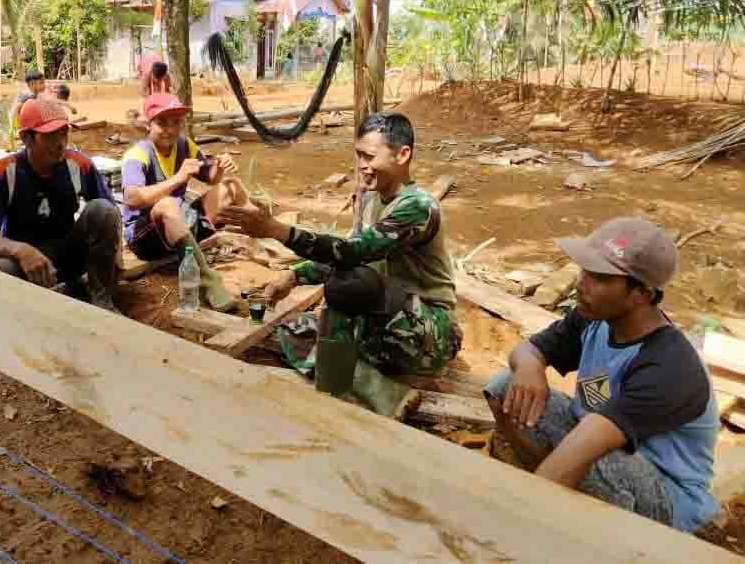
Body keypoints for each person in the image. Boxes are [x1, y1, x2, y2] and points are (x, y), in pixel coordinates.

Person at [483, 218, 719, 533]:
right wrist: (529, 367)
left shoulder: (670, 367)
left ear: (642, 294)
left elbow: (586, 446)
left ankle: (575, 528)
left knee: (584, 459)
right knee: (506, 387)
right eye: (584, 271)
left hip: (666, 497)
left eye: (599, 278)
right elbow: (526, 351)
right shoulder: (593, 318)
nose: (582, 284)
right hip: (599, 444)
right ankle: (553, 497)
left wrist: (512, 529)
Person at [217, 112, 462, 378]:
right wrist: (293, 276)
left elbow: (351, 253)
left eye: (369, 156)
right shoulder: (369, 198)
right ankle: (359, 373)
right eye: (359, 155)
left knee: (353, 284)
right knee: (294, 329)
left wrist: (276, 230)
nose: (361, 165)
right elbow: (346, 253)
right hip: (383, 315)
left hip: (429, 330)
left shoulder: (417, 207)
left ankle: (359, 376)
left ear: (402, 155)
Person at [0, 98, 122, 313]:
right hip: (30, 266)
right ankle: (37, 306)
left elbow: (110, 214)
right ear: (27, 138)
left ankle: (101, 298)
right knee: (0, 271)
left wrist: (114, 258)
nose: (60, 142)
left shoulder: (79, 165)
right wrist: (21, 250)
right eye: (50, 135)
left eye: (64, 132)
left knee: (102, 209)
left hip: (70, 253)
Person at [121, 93, 246, 311]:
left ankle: (268, 233)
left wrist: (220, 167)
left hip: (180, 227)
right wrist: (178, 178)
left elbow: (210, 177)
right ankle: (208, 279)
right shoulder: (138, 155)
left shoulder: (184, 145)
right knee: (168, 203)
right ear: (148, 125)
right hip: (147, 237)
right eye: (162, 123)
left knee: (230, 187)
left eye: (176, 122)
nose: (170, 129)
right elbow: (132, 199)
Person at [9, 70, 46, 141]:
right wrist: (19, 128)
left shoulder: (35, 94)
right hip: (16, 119)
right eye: (41, 83)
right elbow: (16, 109)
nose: (44, 85)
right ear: (32, 84)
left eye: (44, 82)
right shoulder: (26, 95)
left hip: (24, 117)